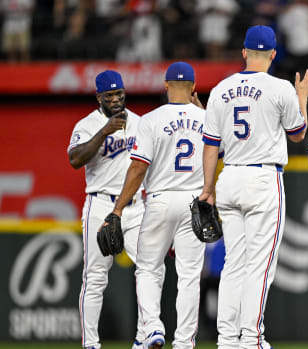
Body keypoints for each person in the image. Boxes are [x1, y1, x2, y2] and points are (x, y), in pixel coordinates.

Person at [198, 25, 308, 349]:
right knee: (260, 266)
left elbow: (210, 145)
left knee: (233, 264)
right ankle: (251, 338)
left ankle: (227, 340)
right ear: (274, 54)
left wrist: (208, 188)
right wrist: (302, 98)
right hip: (263, 179)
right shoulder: (280, 88)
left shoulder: (222, 89)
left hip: (229, 177)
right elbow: (297, 133)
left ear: (243, 52)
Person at [101, 62, 207, 349]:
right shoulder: (208, 119)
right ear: (194, 87)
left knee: (147, 269)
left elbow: (137, 169)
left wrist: (118, 208)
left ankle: (154, 329)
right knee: (189, 276)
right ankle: (184, 342)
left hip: (160, 199)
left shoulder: (150, 119)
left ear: (165, 85)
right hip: (194, 201)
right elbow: (220, 155)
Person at [67, 70, 150, 349]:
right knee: (95, 278)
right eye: (109, 95)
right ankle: (90, 344)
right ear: (98, 97)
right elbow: (75, 160)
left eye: (119, 93)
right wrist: (104, 131)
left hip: (135, 205)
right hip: (101, 203)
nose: (115, 99)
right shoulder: (88, 124)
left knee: (150, 269)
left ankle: (144, 337)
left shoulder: (140, 123)